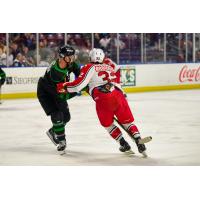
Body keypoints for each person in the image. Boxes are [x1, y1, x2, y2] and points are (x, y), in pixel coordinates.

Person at [57, 48, 149, 156]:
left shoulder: (89, 67)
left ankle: (123, 143)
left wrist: (63, 87)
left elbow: (78, 85)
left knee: (108, 124)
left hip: (103, 98)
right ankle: (139, 140)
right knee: (127, 122)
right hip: (119, 95)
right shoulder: (109, 67)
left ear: (90, 57)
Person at [37, 45, 80, 153]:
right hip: (45, 92)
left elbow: (77, 70)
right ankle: (61, 140)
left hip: (57, 90)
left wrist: (83, 82)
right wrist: (76, 91)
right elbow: (61, 95)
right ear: (62, 57)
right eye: (70, 57)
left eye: (73, 56)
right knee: (57, 115)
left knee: (66, 116)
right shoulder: (56, 73)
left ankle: (53, 131)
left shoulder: (68, 63)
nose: (72, 59)